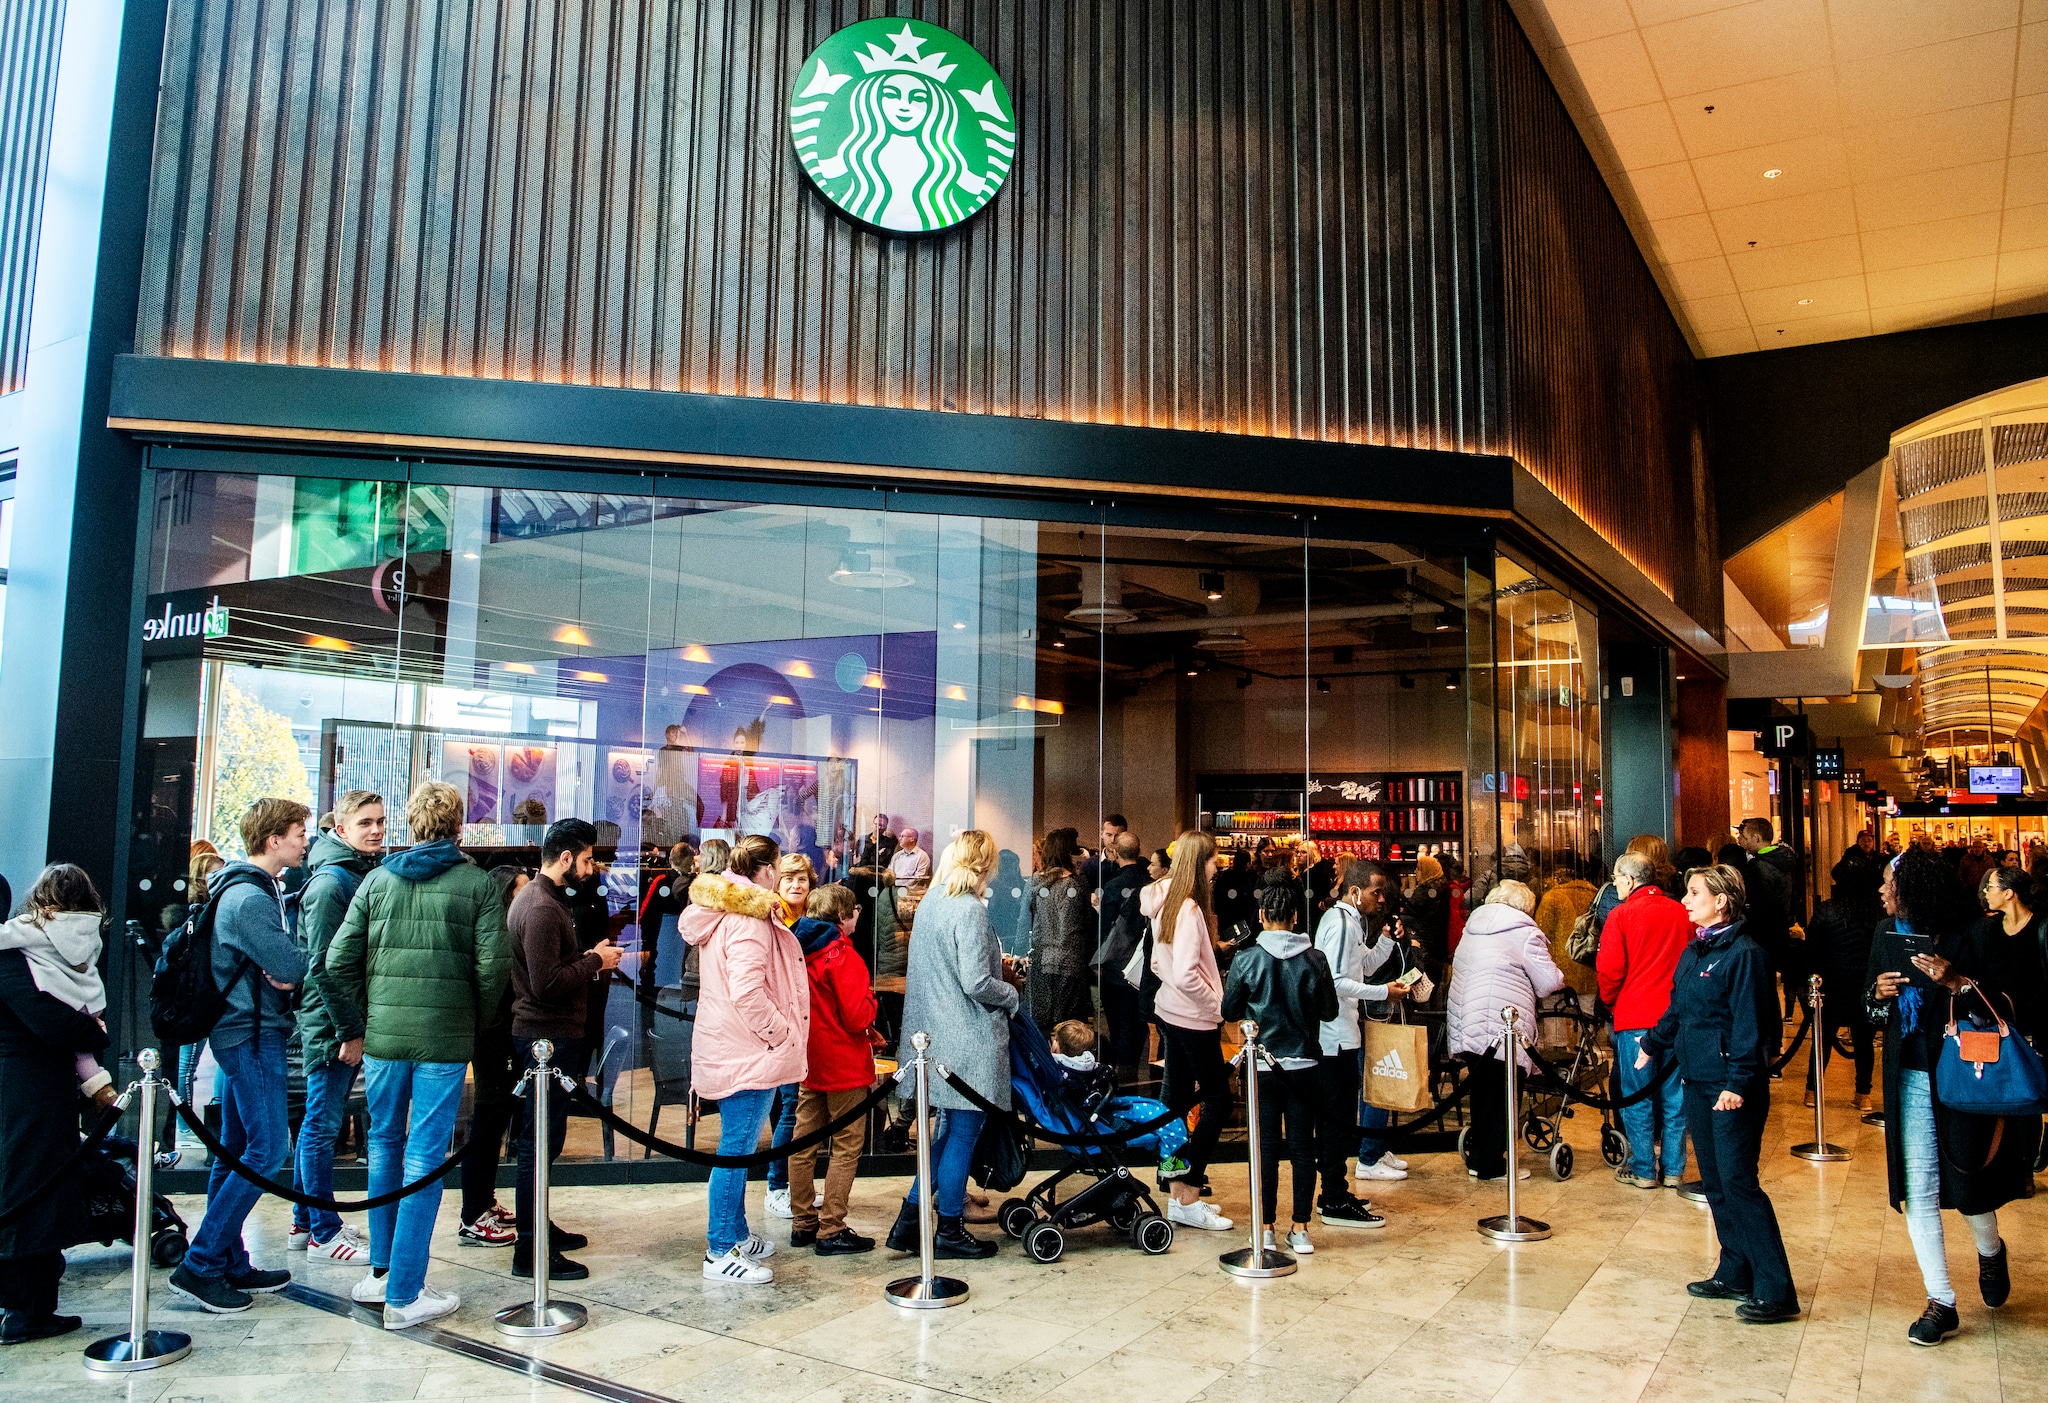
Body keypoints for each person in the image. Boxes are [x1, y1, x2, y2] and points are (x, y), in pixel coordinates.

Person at [322, 781, 510, 1329]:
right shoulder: (476, 884)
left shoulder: (377, 880)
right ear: (458, 826)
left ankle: (383, 1275)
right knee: (425, 1156)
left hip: (383, 1038)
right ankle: (404, 1293)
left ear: (409, 823)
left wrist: (361, 1020)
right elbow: (493, 968)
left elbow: (335, 963)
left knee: (383, 1146)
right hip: (444, 1039)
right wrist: (474, 1018)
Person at [1865, 849, 2042, 1346]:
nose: (1882, 892)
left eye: (1888, 883)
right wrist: (1877, 997)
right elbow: (1869, 1013)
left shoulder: (1976, 935)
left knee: (1968, 1187)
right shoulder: (1886, 934)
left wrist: (1958, 983)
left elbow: (2010, 1007)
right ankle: (1941, 1301)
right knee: (1917, 1189)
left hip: (1968, 1075)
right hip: (1911, 1076)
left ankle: (1991, 1250)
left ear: (1916, 888)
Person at [1638, 863, 1799, 1324]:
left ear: (1721, 901)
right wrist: (1652, 1043)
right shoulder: (1695, 953)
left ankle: (1776, 1287)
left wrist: (1739, 1082)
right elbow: (1680, 1009)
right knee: (1715, 1185)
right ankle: (1735, 1270)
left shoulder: (1745, 954)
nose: (1685, 900)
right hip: (1697, 1079)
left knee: (1739, 1184)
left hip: (1731, 1088)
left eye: (1693, 893)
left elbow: (1754, 1026)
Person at [169, 798, 312, 1314]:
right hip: (250, 1034)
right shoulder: (250, 899)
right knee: (269, 1149)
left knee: (233, 1149)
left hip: (239, 1031)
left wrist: (287, 969)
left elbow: (283, 967)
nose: (304, 840)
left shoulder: (241, 888)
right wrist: (294, 967)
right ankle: (201, 1263)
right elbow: (289, 964)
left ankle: (229, 1260)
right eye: (299, 832)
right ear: (274, 840)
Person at [886, 830, 1021, 1260]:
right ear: (985, 866)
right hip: (969, 1038)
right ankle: (948, 1228)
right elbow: (977, 982)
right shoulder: (969, 910)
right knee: (961, 1135)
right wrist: (1012, 994)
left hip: (934, 1036)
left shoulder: (931, 903)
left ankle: (909, 1221)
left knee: (944, 1136)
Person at [680, 834, 808, 1284]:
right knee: (735, 1150)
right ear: (768, 870)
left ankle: (734, 1233)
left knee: (737, 1147)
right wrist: (782, 1037)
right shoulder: (749, 920)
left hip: (733, 1045)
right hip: (749, 1051)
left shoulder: (726, 911)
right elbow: (749, 992)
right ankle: (719, 1249)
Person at [0, 865, 116, 1343]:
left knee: (21, 1191)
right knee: (36, 1197)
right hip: (42, 1094)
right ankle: (28, 1310)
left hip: (18, 1090)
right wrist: (94, 1034)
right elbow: (65, 1026)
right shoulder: (82, 954)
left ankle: (25, 1307)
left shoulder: (14, 948)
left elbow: (45, 1021)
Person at [507, 819, 621, 1280]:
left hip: (552, 1034)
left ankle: (538, 1227)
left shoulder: (544, 902)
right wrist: (596, 961)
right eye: (589, 858)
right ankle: (530, 1249)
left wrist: (587, 958)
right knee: (539, 1141)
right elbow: (546, 983)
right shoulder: (539, 907)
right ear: (568, 857)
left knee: (546, 1139)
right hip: (544, 1038)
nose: (593, 868)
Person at [289, 789, 385, 1265]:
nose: (375, 830)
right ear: (341, 829)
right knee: (322, 1124)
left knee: (319, 1120)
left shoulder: (352, 873)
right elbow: (324, 966)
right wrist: (349, 1030)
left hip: (336, 1015)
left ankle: (304, 1220)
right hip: (331, 1019)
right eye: (365, 822)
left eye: (380, 821)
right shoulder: (332, 884)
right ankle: (322, 1232)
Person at [1223, 883, 1338, 1257]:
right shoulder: (1315, 959)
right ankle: (1301, 1228)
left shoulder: (1247, 959)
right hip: (1305, 1064)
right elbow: (1329, 1011)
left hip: (1262, 1064)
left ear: (1261, 917)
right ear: (1294, 918)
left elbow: (1229, 1010)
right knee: (1304, 1148)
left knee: (1266, 1149)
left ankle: (1267, 1226)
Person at [1140, 831, 1236, 1234]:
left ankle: (1177, 1189)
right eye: (1214, 860)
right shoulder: (1190, 907)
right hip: (1193, 1017)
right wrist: (1216, 1003)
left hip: (1171, 1012)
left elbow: (1162, 965)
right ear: (1201, 863)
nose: (1218, 868)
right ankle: (1190, 1190)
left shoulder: (1164, 898)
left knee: (1175, 1103)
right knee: (1217, 1100)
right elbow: (1184, 971)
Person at [1446, 881, 1563, 1181]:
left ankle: (1479, 1158)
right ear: (1525, 907)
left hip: (1468, 1023)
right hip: (1503, 1027)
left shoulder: (1472, 928)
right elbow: (1549, 982)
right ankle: (1491, 1164)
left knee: (1482, 1094)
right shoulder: (1524, 933)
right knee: (1504, 1098)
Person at [788, 883, 879, 1254]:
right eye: (854, 910)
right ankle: (832, 1228)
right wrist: (872, 1003)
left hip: (808, 1059)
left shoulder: (795, 952)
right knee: (846, 1146)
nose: (858, 914)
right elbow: (858, 1017)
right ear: (843, 916)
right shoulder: (842, 956)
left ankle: (803, 1221)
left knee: (803, 1142)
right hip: (843, 1061)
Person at [1596, 851, 1693, 1188]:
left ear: (1630, 879)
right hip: (1676, 1017)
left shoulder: (1620, 916)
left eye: (1617, 879)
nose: (1615, 885)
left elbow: (1609, 970)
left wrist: (1610, 1002)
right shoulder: (1683, 912)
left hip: (1635, 1016)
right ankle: (1673, 1170)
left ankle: (1643, 1170)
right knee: (1675, 1096)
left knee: (1637, 1097)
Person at [1313, 860, 1403, 1217]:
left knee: (1341, 1119)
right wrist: (1383, 993)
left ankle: (1337, 1190)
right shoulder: (1339, 923)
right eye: (1375, 892)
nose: (1381, 899)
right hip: (1334, 1036)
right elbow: (1334, 981)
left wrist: (1384, 942)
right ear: (1355, 892)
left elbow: (1360, 966)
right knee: (1337, 1121)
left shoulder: (1351, 922)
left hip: (1344, 1032)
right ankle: (1333, 1196)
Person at [457, 864, 528, 1248]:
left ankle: (483, 1201)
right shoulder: (494, 934)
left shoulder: (506, 931)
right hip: (492, 1037)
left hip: (498, 1034)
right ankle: (473, 1214)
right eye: (520, 889)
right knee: (486, 1122)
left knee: (493, 1121)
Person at [764, 853, 817, 1220]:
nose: (797, 885)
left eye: (802, 879)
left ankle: (794, 1187)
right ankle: (777, 1185)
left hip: (806, 1026)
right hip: (783, 1028)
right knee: (789, 1112)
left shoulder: (810, 921)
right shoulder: (774, 919)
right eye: (789, 879)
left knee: (795, 1111)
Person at [1804, 892, 1876, 1112]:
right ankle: (1863, 1094)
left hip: (1831, 983)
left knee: (1822, 1039)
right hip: (1864, 984)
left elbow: (1812, 946)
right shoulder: (1873, 911)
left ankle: (1812, 1091)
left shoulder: (1827, 909)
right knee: (1864, 1042)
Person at [1094, 832, 1151, 1078]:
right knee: (1136, 1022)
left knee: (1118, 1023)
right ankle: (1134, 1069)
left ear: (1116, 853)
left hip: (1116, 964)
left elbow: (1105, 929)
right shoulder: (1149, 882)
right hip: (1142, 963)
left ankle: (1120, 1073)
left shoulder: (1114, 885)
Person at [1026, 827, 1091, 1030]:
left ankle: (1044, 1060)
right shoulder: (1078, 884)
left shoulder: (1035, 882)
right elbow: (1085, 923)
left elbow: (1024, 922)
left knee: (1041, 1021)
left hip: (1041, 957)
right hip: (1071, 959)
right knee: (1068, 1025)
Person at [1736, 818, 1799, 1006]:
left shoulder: (1760, 867)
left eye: (1744, 836)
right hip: (1780, 929)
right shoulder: (1784, 860)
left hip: (1764, 933)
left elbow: (1760, 905)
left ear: (1756, 838)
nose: (1741, 841)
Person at [1534, 857, 1599, 1010]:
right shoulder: (1595, 896)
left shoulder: (1552, 897)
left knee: (1556, 1024)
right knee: (1588, 1021)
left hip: (1558, 973)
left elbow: (1541, 935)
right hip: (1589, 971)